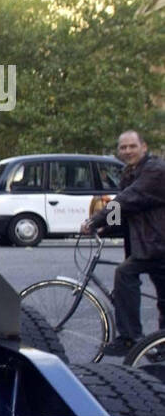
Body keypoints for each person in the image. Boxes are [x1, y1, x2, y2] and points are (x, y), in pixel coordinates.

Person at [82, 130, 165, 354]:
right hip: (151, 245)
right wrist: (104, 227)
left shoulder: (155, 171)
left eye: (132, 146)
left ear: (144, 147)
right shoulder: (131, 172)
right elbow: (124, 213)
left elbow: (129, 199)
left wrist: (94, 220)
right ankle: (159, 349)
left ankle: (130, 338)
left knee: (125, 274)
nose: (127, 151)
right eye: (123, 148)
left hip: (157, 245)